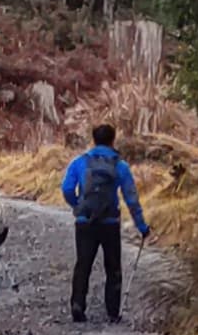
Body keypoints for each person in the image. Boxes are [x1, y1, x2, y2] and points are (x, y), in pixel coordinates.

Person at [61, 120, 147, 324]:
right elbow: (131, 198)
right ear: (112, 139)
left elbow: (66, 188)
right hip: (109, 222)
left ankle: (78, 304)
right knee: (113, 266)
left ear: (94, 139)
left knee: (83, 264)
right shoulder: (120, 165)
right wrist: (141, 225)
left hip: (85, 221)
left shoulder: (80, 162)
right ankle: (112, 311)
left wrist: (78, 206)